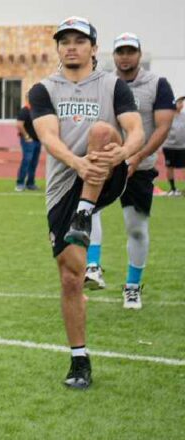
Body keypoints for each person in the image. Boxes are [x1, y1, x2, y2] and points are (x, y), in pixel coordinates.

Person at [29, 16, 143, 390]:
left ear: (94, 48)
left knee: (100, 130)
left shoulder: (112, 85)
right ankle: (79, 358)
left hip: (107, 173)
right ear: (58, 48)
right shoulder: (44, 89)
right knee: (70, 276)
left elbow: (135, 130)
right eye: (65, 41)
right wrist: (77, 163)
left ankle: (85, 212)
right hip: (64, 183)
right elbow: (48, 136)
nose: (72, 46)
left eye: (80, 40)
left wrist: (121, 155)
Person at [81, 33, 175, 308]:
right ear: (113, 55)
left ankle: (132, 286)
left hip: (140, 167)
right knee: (89, 209)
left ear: (139, 54)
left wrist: (137, 157)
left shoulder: (157, 84)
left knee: (136, 228)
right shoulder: (102, 82)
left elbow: (163, 127)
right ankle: (93, 266)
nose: (125, 56)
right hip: (108, 163)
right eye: (120, 51)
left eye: (130, 51)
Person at [15, 101, 41, 191]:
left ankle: (30, 183)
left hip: (37, 140)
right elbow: (19, 125)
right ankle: (20, 183)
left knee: (34, 162)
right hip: (28, 140)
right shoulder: (25, 110)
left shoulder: (37, 110)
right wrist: (26, 136)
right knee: (27, 161)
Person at [163, 95, 185, 196]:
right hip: (169, 146)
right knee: (170, 167)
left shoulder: (184, 116)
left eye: (182, 102)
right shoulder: (168, 116)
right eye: (179, 102)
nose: (182, 104)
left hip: (182, 147)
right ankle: (173, 189)